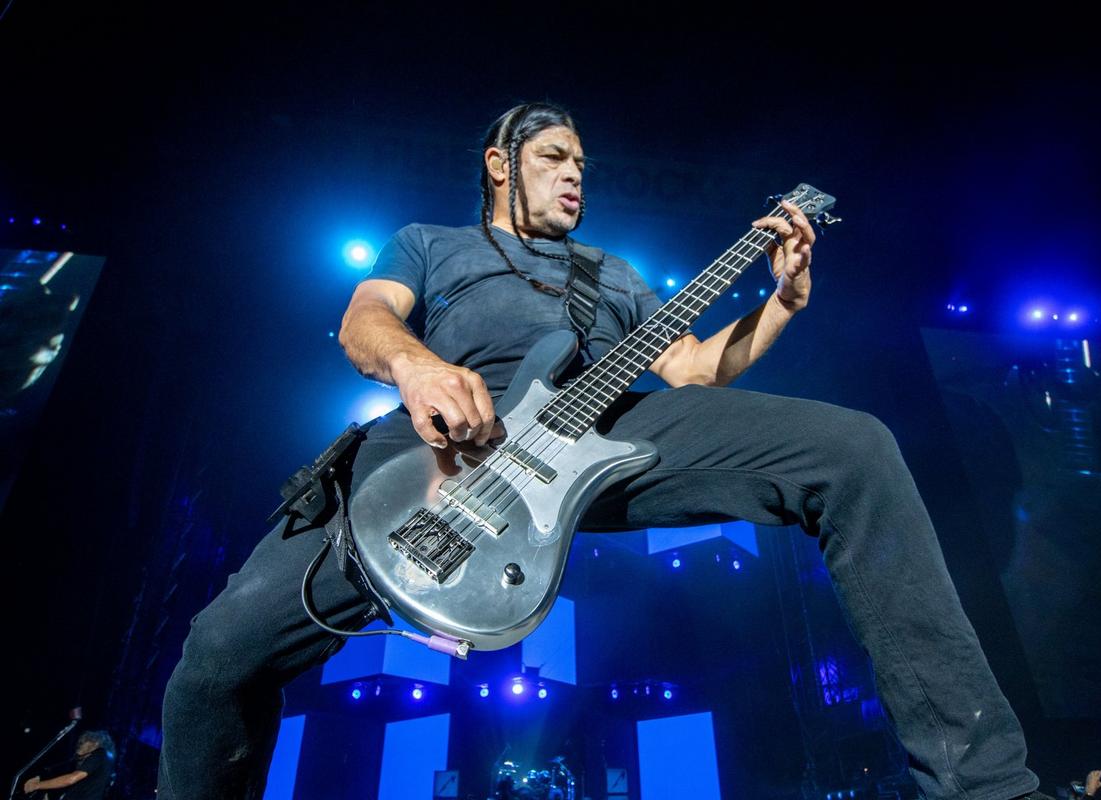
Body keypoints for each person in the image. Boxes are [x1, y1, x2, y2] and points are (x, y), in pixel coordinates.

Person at [158, 102, 1045, 800]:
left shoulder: (612, 273)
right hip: (440, 435)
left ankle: (987, 787)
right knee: (218, 657)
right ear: (499, 164)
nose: (575, 173)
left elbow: (695, 369)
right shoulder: (432, 244)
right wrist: (420, 368)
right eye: (555, 157)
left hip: (603, 428)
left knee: (854, 448)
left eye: (582, 163)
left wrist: (781, 302)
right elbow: (366, 320)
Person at [22, 730, 114, 799]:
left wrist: (36, 785)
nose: (80, 744)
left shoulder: (100, 753)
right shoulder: (98, 768)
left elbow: (71, 779)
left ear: (95, 743)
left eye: (85, 741)